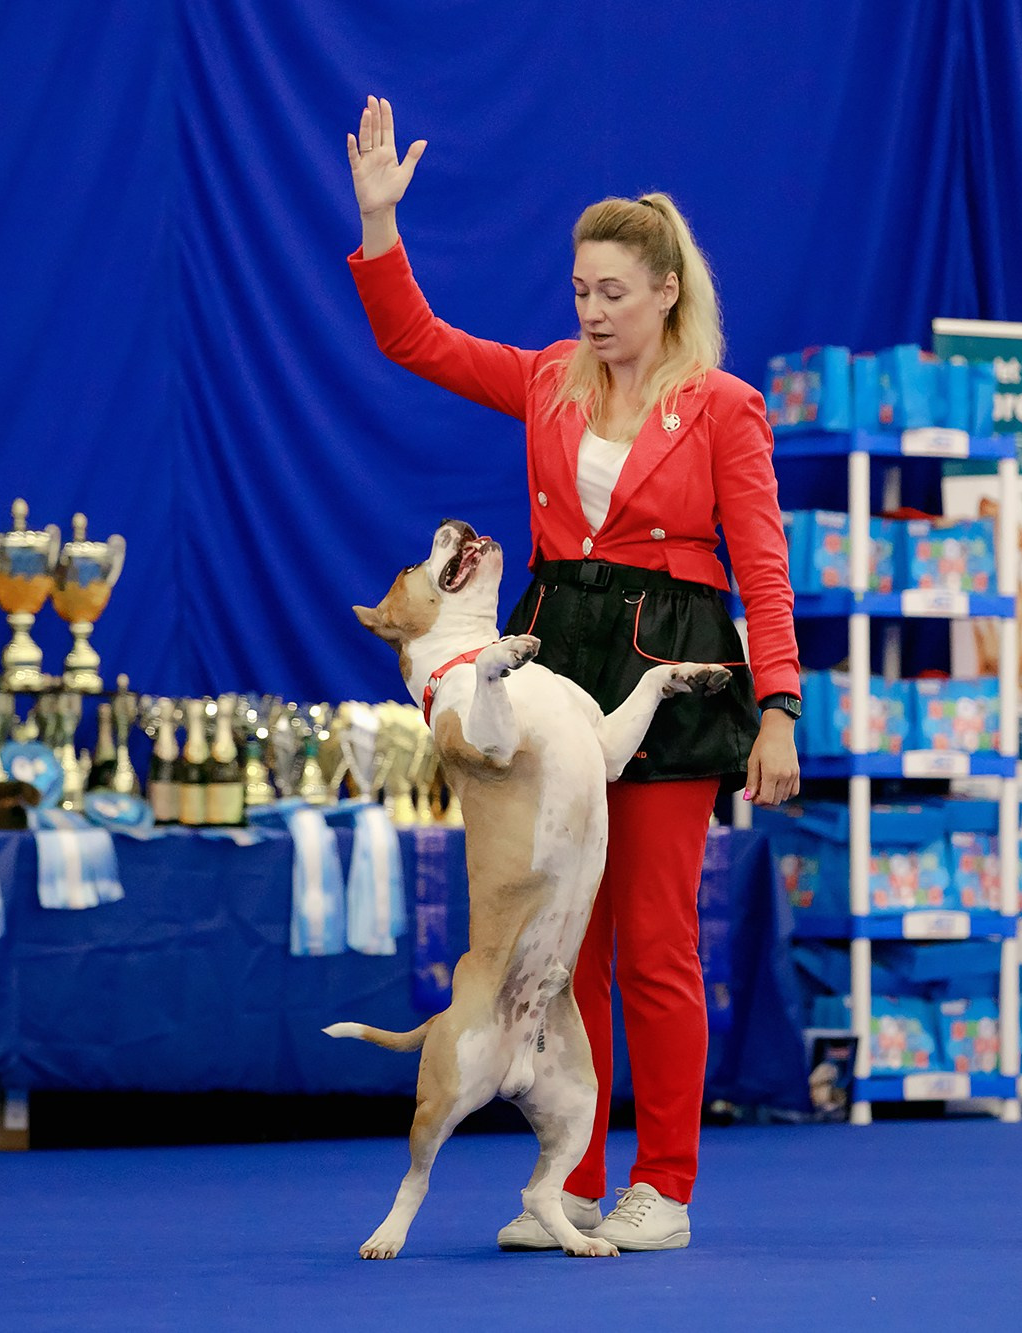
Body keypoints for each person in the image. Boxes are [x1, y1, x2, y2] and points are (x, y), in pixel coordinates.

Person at [344, 96, 800, 1252]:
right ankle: (574, 1177)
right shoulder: (548, 377)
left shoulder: (723, 408)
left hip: (673, 665)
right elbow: (417, 341)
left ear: (665, 294)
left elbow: (761, 566)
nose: (591, 311)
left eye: (613, 292)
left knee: (654, 940)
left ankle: (668, 1185)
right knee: (566, 942)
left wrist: (778, 709)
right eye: (579, 290)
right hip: (559, 667)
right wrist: (378, 222)